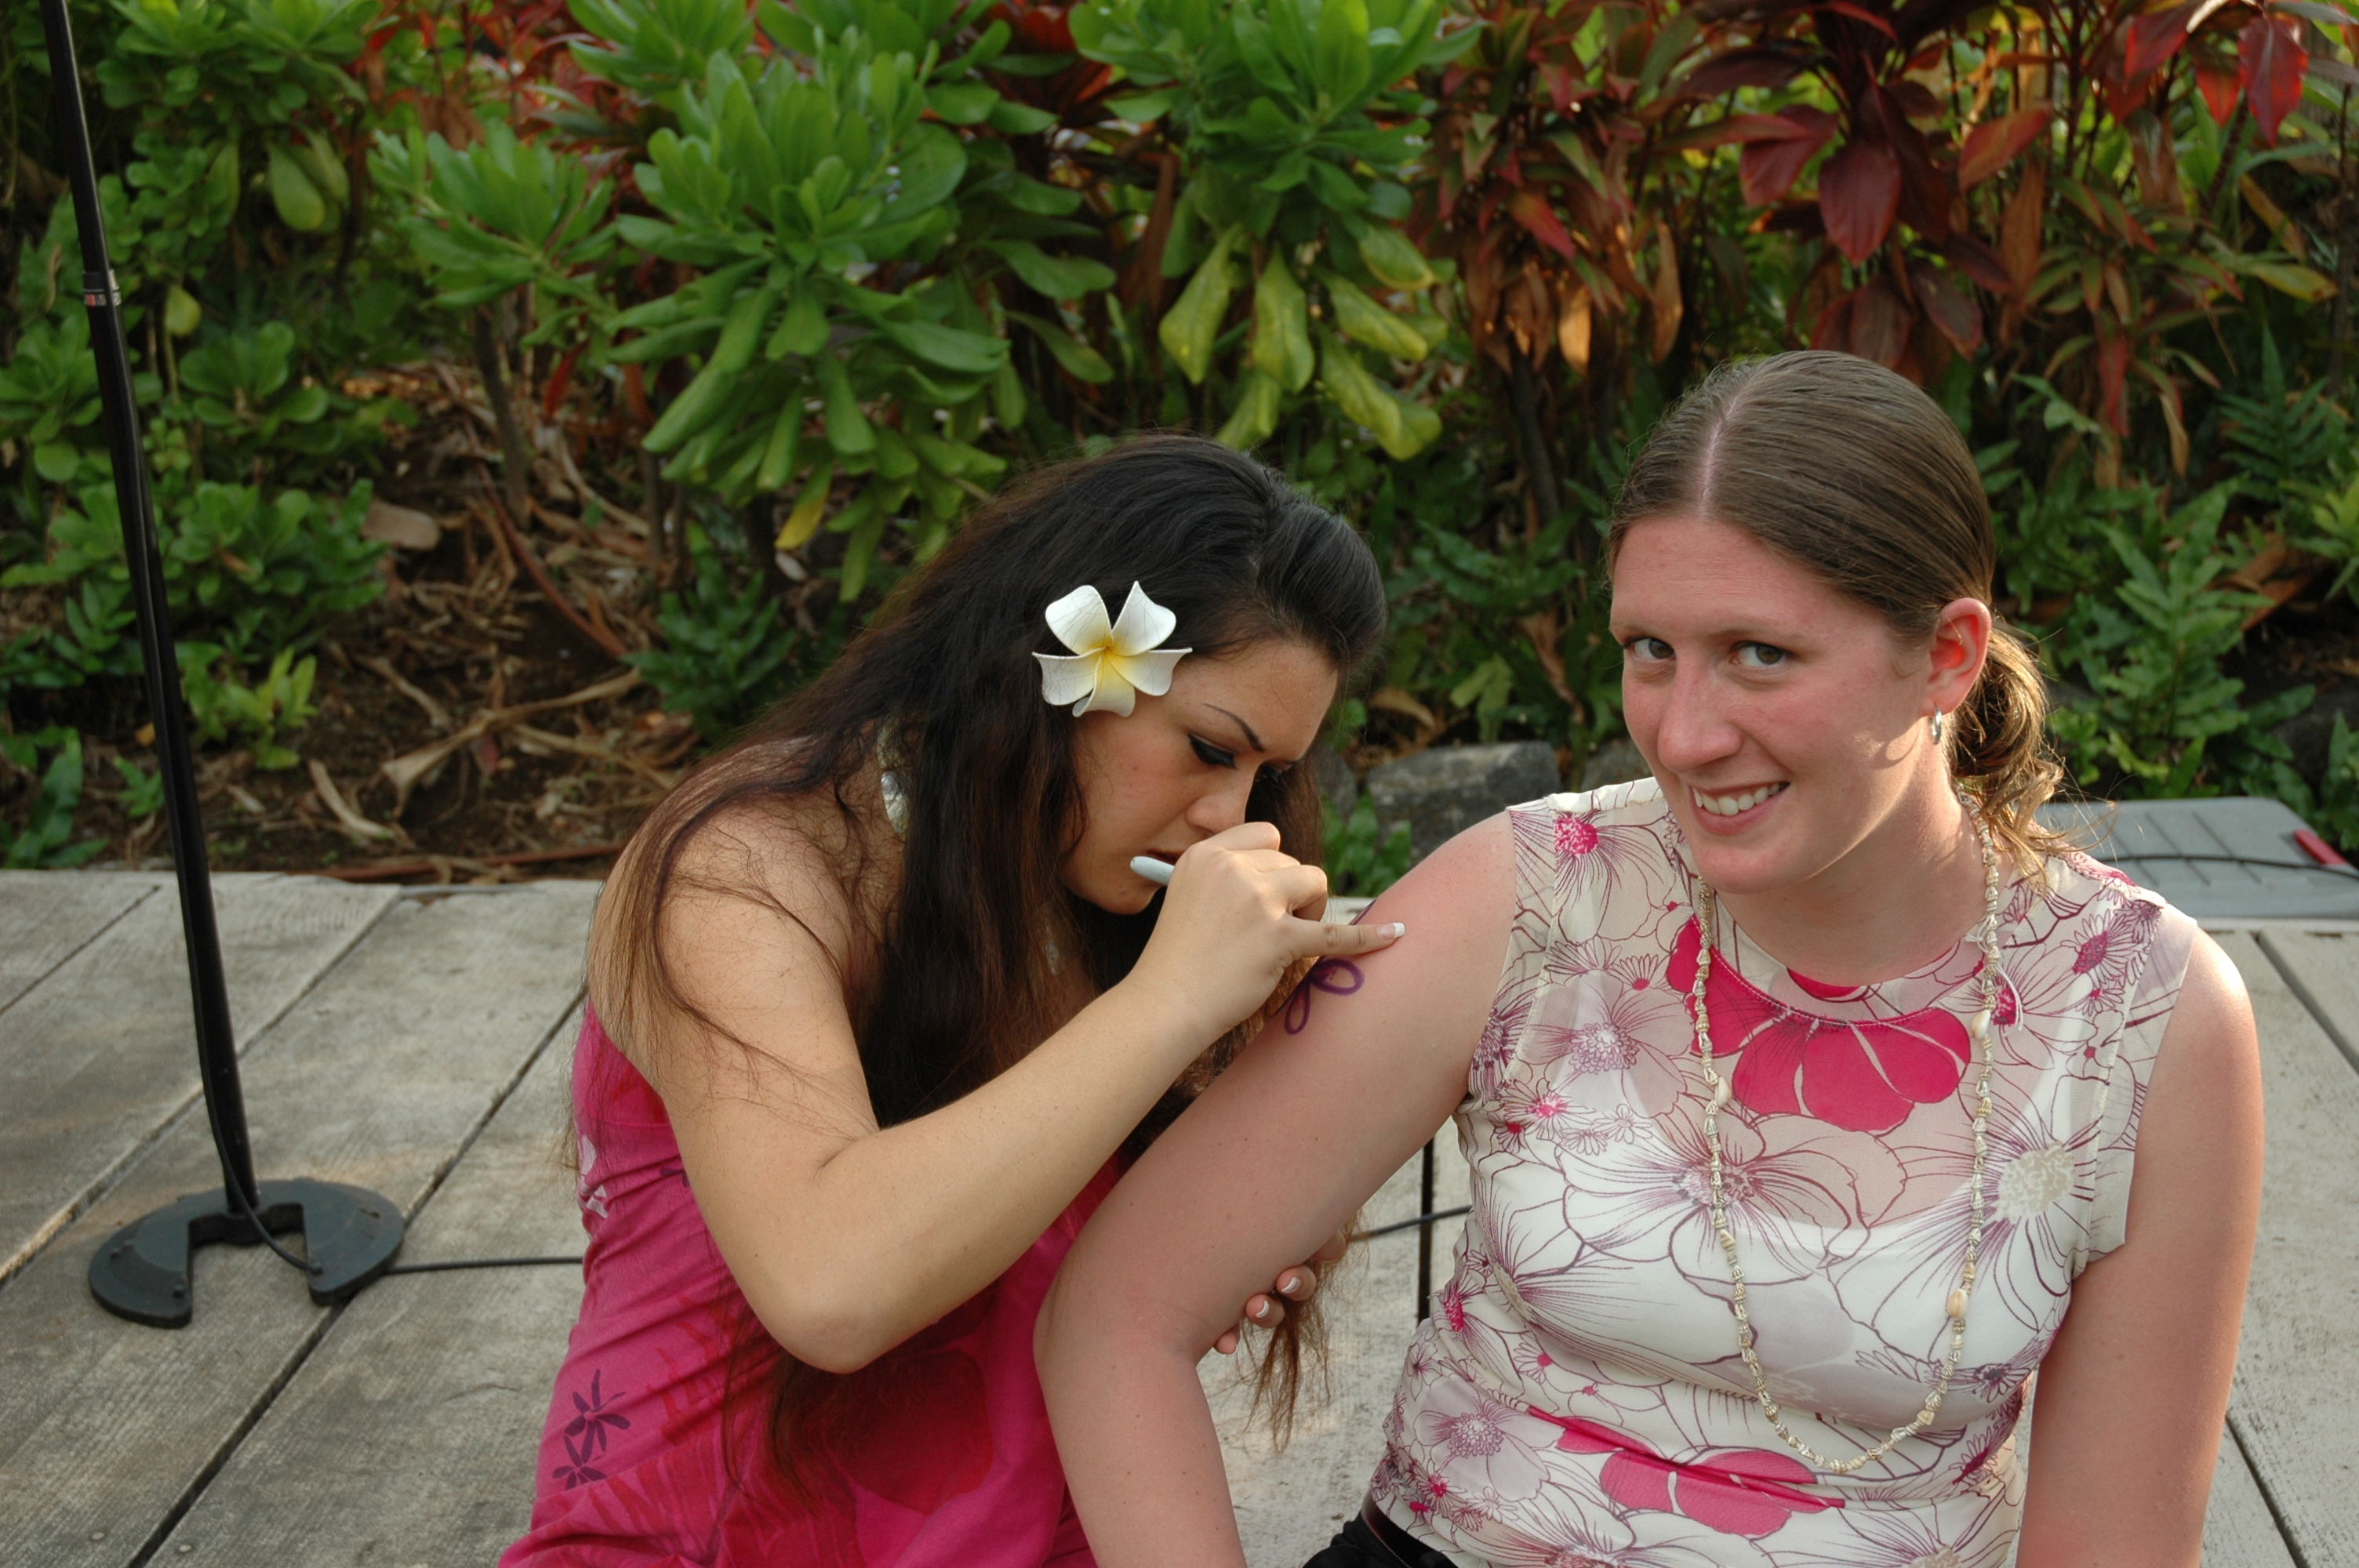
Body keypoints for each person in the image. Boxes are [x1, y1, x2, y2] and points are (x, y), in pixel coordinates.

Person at [1037, 353, 2265, 1568]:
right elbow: (1117, 1317)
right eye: (1649, 649)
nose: (1682, 735)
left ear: (1947, 655)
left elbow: (2115, 1542)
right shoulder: (1532, 894)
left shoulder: (2144, 1016)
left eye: (1760, 654)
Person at [503, 435, 1405, 1566]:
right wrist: (1170, 1003)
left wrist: (1234, 1232)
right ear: (1066, 668)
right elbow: (829, 1285)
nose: (1232, 818)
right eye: (1208, 748)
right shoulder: (746, 868)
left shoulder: (1098, 907)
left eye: (1268, 776)